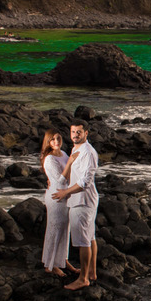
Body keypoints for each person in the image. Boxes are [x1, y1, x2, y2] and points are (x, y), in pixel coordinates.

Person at [54, 121, 98, 290]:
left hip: (82, 201)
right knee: (90, 237)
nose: (75, 135)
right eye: (73, 132)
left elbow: (85, 181)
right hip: (82, 200)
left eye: (79, 132)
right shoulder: (75, 149)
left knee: (83, 241)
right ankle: (92, 273)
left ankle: (83, 278)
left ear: (86, 133)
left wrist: (66, 193)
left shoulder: (88, 152)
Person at [39, 128, 78, 278]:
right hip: (56, 197)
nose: (56, 142)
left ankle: (63, 260)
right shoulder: (49, 159)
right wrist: (70, 163)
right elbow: (60, 180)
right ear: (48, 142)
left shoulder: (63, 154)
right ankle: (51, 265)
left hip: (66, 195)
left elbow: (69, 175)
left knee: (64, 229)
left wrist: (69, 164)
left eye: (58, 138)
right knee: (54, 229)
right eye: (53, 139)